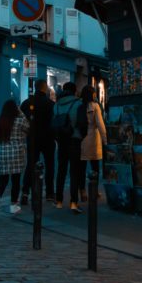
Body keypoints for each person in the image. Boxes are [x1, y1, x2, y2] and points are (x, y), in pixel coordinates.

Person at [20, 79, 56, 205]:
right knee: (50, 165)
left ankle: (25, 192)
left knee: (30, 164)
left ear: (35, 87)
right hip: (48, 138)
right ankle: (50, 193)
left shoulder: (26, 103)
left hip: (32, 138)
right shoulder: (50, 104)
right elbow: (54, 121)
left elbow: (22, 121)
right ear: (45, 88)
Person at [51, 82, 83, 210]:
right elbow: (82, 123)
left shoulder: (56, 105)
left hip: (61, 141)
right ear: (74, 91)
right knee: (74, 172)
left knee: (61, 171)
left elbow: (53, 123)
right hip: (74, 140)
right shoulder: (78, 103)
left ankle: (58, 201)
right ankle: (73, 202)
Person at [0, 100, 29, 214]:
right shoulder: (20, 120)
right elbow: (28, 127)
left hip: (3, 152)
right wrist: (21, 112)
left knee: (2, 179)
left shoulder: (0, 121)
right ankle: (13, 205)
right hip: (16, 153)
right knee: (16, 180)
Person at [79, 84, 108, 210]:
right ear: (92, 94)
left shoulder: (79, 106)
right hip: (93, 139)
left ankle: (83, 191)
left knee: (81, 167)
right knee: (95, 167)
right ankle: (94, 192)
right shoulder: (95, 106)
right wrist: (105, 140)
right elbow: (100, 125)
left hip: (81, 138)